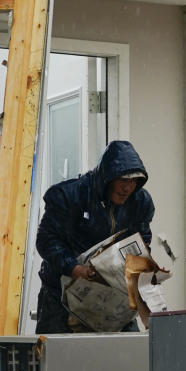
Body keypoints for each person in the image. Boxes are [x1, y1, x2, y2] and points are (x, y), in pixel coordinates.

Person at [34, 140, 154, 333]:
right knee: (60, 359)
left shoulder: (140, 203)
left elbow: (142, 240)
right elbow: (46, 240)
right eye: (123, 180)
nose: (127, 188)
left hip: (115, 299)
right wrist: (73, 268)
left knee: (126, 357)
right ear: (108, 178)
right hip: (62, 298)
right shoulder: (70, 196)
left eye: (133, 182)